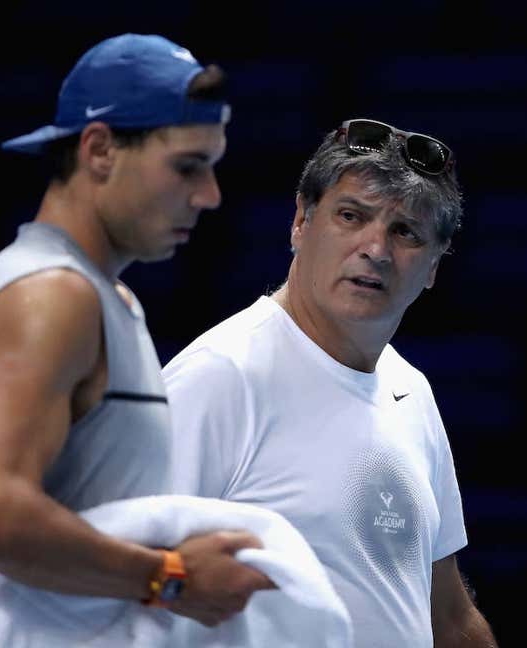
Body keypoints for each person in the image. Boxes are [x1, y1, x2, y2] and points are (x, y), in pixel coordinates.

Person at [0, 33, 273, 648]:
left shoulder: (108, 302)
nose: (210, 196)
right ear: (100, 149)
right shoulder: (51, 298)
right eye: (188, 167)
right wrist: (173, 578)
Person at [163, 118, 499, 647]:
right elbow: (117, 582)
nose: (376, 250)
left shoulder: (411, 392)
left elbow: (450, 619)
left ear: (433, 266)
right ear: (300, 221)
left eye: (406, 232)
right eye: (351, 216)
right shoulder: (218, 376)